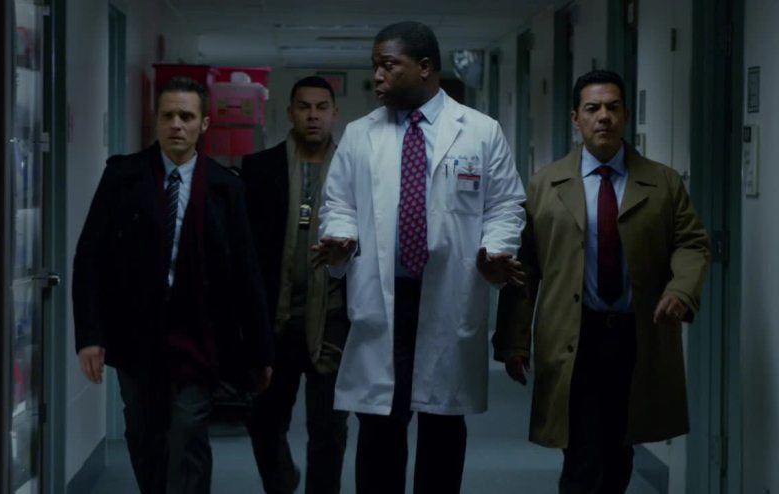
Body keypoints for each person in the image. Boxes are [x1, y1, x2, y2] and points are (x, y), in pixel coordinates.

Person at [314, 21, 526, 494]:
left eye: (389, 65)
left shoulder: (480, 132)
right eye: (375, 66)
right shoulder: (360, 135)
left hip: (449, 296)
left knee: (443, 429)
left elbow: (505, 205)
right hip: (383, 301)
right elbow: (339, 203)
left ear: (425, 67)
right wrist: (342, 237)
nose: (378, 76)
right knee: (379, 430)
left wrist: (496, 249)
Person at [493, 69, 711, 493]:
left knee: (619, 449)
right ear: (576, 119)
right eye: (592, 108)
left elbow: (692, 242)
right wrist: (514, 342)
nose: (604, 117)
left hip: (635, 335)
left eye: (613, 107)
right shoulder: (546, 184)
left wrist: (681, 289)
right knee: (580, 452)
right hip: (573, 336)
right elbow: (525, 269)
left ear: (626, 115)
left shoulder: (663, 182)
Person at [72, 76, 273, 494]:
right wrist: (90, 336)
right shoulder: (123, 177)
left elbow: (247, 273)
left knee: (189, 430)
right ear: (157, 120)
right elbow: (90, 257)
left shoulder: (226, 187)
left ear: (204, 123)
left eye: (186, 116)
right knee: (145, 432)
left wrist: (260, 352)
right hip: (136, 333)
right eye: (168, 116)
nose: (176, 124)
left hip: (198, 334)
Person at [241, 76, 349, 494]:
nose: (313, 116)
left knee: (329, 429)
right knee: (265, 422)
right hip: (277, 319)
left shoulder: (353, 171)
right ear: (290, 113)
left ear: (334, 114)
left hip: (333, 320)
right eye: (304, 107)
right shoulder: (259, 169)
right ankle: (282, 483)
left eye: (322, 107)